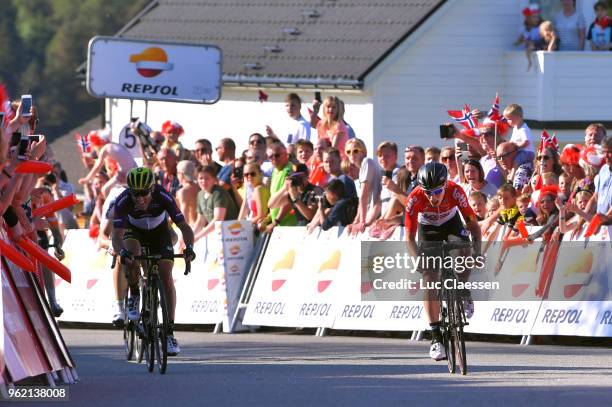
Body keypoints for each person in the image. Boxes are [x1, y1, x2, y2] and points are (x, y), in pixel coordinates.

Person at [112, 167, 195, 356]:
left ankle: (169, 333)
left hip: (160, 233)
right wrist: (122, 252)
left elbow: (184, 227)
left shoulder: (163, 195)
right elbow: (116, 236)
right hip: (135, 232)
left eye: (143, 194)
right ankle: (134, 294)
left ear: (152, 189)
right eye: (135, 194)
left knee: (166, 276)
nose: (139, 199)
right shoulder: (123, 200)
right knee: (133, 254)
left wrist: (189, 247)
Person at [404, 162, 481, 361]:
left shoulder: (456, 192)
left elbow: (473, 225)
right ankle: (436, 337)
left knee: (464, 250)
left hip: (452, 224)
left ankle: (462, 291)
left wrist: (477, 251)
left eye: (437, 191)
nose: (432, 197)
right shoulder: (414, 199)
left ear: (445, 185)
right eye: (428, 192)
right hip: (428, 229)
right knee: (429, 279)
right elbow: (409, 238)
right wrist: (417, 259)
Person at [193, 165, 239, 241]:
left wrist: (197, 237)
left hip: (232, 234)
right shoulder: (200, 194)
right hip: (217, 233)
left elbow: (218, 219)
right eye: (201, 178)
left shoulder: (219, 192)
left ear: (214, 179)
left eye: (207, 178)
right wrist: (190, 237)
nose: (203, 181)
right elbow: (200, 221)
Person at [346, 138, 382, 235]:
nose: (352, 154)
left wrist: (361, 222)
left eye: (355, 151)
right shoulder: (362, 168)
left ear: (363, 152)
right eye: (348, 152)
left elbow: (363, 196)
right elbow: (361, 200)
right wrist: (355, 222)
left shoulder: (367, 162)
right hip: (372, 216)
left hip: (377, 215)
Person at [262, 142, 296, 231]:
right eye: (270, 157)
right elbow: (275, 198)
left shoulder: (290, 170)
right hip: (280, 225)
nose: (273, 158)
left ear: (286, 154)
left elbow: (289, 199)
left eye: (277, 155)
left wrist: (276, 221)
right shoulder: (275, 171)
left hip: (290, 226)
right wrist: (267, 220)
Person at [502, 104, 535, 180]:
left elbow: (526, 142)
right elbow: (512, 141)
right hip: (521, 152)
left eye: (509, 119)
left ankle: (512, 175)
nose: (507, 121)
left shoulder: (523, 129)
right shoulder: (516, 128)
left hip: (527, 152)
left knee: (516, 161)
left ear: (518, 117)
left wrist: (517, 147)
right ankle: (510, 173)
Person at [586, 136, 612, 219]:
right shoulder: (604, 169)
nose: (606, 155)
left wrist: (603, 220)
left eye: (609, 152)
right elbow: (595, 198)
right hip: (602, 226)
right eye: (604, 152)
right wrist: (581, 222)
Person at [238, 163, 270, 228]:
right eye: (246, 175)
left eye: (252, 174)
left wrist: (243, 225)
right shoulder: (256, 188)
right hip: (254, 226)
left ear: (260, 174)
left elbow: (261, 216)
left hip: (259, 229)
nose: (249, 176)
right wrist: (238, 223)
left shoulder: (259, 189)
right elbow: (245, 204)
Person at [175, 160, 198, 227]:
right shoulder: (201, 187)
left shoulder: (183, 192)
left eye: (178, 173)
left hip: (191, 228)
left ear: (181, 174)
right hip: (202, 227)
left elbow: (184, 216)